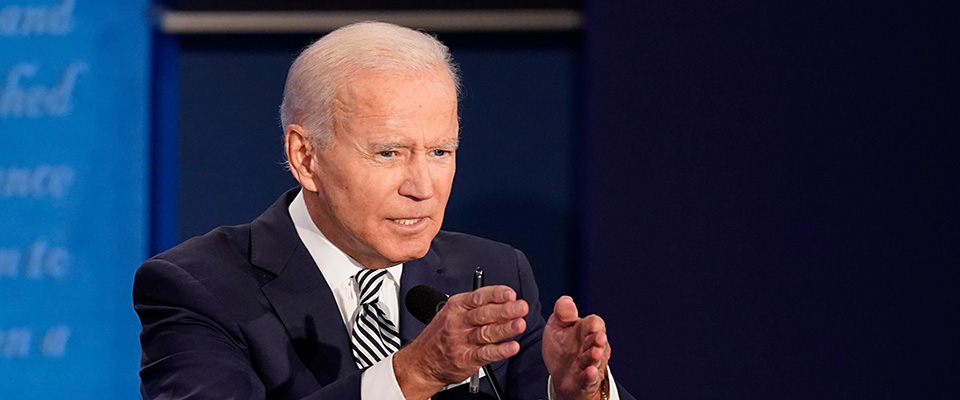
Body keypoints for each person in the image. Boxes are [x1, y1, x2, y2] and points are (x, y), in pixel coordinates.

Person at [134, 21, 634, 400]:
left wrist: (577, 394)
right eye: (389, 153)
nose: (422, 187)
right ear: (305, 158)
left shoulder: (493, 272)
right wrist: (414, 374)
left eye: (440, 152)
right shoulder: (199, 287)